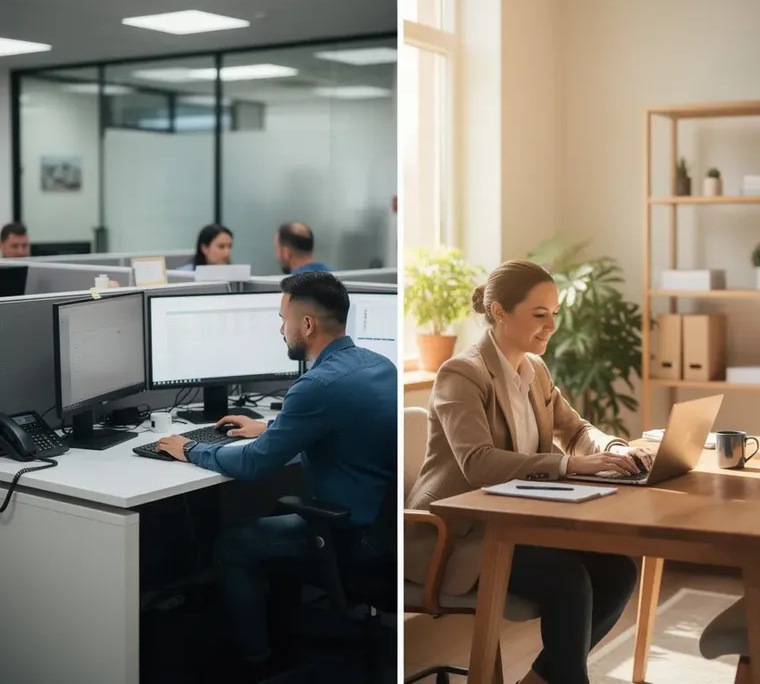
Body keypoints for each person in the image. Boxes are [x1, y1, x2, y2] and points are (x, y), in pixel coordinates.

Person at [405, 260, 649, 684]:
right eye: (540, 315)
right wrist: (569, 465)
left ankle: (543, 679)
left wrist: (614, 449)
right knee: (568, 582)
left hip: (514, 524)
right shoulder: (461, 373)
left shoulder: (534, 370)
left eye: (555, 313)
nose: (551, 325)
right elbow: (477, 461)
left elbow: (574, 430)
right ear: (499, 312)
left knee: (619, 570)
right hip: (459, 536)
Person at [154, 271, 397, 679]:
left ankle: (253, 664)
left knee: (232, 546)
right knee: (273, 513)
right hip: (386, 530)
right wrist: (271, 427)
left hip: (356, 538)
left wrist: (191, 448)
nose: (281, 329)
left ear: (307, 325)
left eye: (283, 319)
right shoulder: (379, 366)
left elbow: (256, 464)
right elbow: (339, 426)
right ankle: (286, 634)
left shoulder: (315, 384)